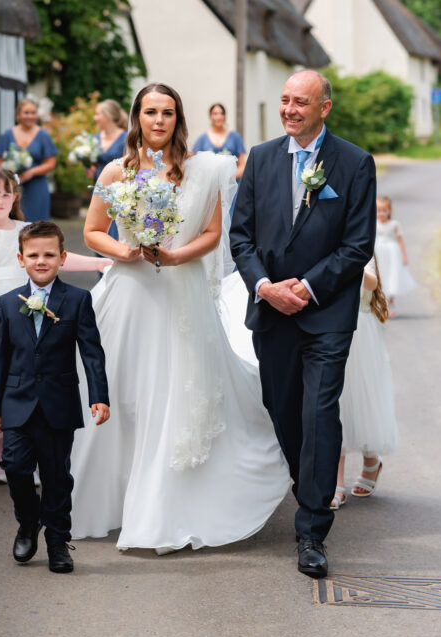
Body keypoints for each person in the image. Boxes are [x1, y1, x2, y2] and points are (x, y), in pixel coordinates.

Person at [70, 83, 289, 552]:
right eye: (150, 112)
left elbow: (214, 233)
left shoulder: (203, 169)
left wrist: (175, 257)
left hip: (181, 291)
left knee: (174, 392)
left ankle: (168, 504)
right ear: (137, 117)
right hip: (130, 294)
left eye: (168, 113)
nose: (159, 121)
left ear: (178, 119)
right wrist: (124, 250)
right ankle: (120, 496)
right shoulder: (115, 170)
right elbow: (92, 231)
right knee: (127, 392)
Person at [230, 70, 376, 579]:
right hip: (271, 308)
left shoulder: (356, 163)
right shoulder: (262, 158)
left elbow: (357, 246)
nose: (291, 109)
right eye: (286, 100)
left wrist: (308, 288)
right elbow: (240, 236)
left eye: (302, 102)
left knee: (319, 412)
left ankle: (312, 528)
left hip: (327, 313)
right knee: (282, 408)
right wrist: (266, 286)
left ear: (325, 108)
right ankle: (307, 484)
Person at [0, 165, 111, 483]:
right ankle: (3, 459)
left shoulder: (27, 229)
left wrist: (99, 261)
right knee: (2, 383)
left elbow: (58, 258)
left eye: (5, 193)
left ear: (14, 196)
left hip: (29, 308)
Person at [0, 220, 109, 574]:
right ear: (20, 258)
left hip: (58, 402)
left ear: (62, 257)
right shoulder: (8, 303)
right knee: (14, 465)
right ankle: (28, 522)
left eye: (49, 255)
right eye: (33, 255)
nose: (41, 261)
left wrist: (99, 395)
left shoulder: (77, 300)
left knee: (57, 475)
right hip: (16, 401)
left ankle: (57, 540)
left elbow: (92, 352)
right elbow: (1, 358)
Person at [330, 257, 399, 510]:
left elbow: (372, 280)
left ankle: (371, 462)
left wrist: (347, 262)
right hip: (333, 330)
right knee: (336, 407)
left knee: (363, 406)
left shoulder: (361, 246)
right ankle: (335, 480)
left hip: (361, 337)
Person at [0, 98, 57, 221]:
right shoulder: (8, 135)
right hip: (12, 186)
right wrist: (10, 174)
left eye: (33, 113)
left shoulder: (43, 135)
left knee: (36, 225)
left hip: (37, 186)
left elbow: (51, 163)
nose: (30, 116)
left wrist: (32, 172)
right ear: (19, 114)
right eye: (26, 112)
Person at [374, 195, 416, 315]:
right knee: (380, 276)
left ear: (389, 211)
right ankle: (379, 304)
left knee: (391, 276)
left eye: (384, 210)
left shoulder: (394, 224)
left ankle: (390, 304)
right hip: (378, 252)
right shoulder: (374, 223)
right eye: (378, 210)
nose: (381, 213)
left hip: (392, 253)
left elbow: (400, 240)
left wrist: (404, 256)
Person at [193, 103, 246, 181]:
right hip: (209, 186)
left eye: (222, 113)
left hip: (232, 185)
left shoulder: (235, 137)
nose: (219, 117)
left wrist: (228, 178)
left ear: (225, 116)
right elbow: (195, 165)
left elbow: (242, 165)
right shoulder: (202, 139)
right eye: (215, 114)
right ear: (210, 116)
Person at [87, 99, 128, 182]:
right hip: (98, 187)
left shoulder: (126, 138)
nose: (95, 118)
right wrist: (90, 167)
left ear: (108, 115)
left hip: (119, 188)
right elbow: (93, 166)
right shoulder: (94, 138)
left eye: (97, 114)